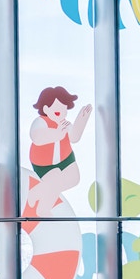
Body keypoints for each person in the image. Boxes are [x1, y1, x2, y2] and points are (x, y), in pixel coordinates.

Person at [26, 86, 92, 217]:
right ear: (45, 108)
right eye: (57, 109)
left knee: (73, 178)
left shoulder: (65, 123)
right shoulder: (40, 122)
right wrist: (57, 134)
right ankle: (42, 208)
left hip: (65, 158)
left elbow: (74, 137)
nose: (61, 111)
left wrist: (81, 120)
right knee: (54, 179)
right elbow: (37, 138)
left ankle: (37, 192)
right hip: (44, 163)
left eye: (64, 108)